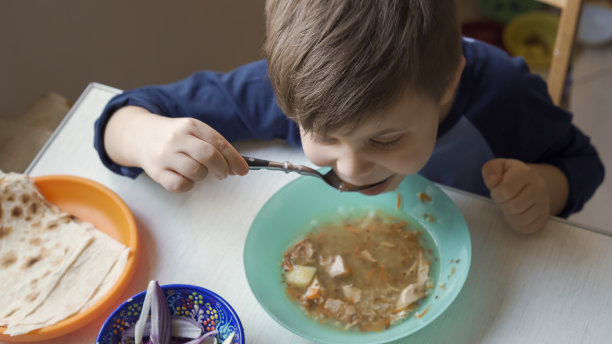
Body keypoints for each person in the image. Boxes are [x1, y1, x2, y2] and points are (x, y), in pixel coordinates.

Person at [94, 0, 604, 234]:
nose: (350, 170)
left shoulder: (507, 97)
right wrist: (146, 138)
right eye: (321, 135)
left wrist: (544, 188)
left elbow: (583, 164)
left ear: (448, 84)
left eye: (385, 140)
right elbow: (122, 117)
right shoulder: (293, 89)